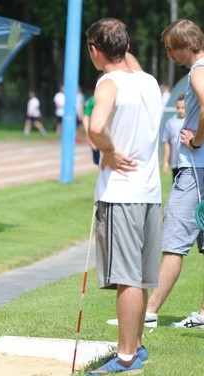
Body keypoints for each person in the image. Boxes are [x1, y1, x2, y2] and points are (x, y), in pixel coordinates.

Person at [107, 19, 204, 331]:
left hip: (196, 170)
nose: (169, 56)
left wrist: (198, 139)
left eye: (170, 49)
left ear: (184, 45)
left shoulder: (198, 71)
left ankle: (147, 312)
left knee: (173, 241)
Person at [85, 18, 163, 374]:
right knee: (143, 276)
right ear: (126, 46)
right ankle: (137, 349)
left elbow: (96, 127)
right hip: (149, 192)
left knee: (126, 277)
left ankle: (126, 357)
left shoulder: (108, 83)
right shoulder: (147, 81)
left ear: (95, 51)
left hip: (121, 193)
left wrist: (110, 152)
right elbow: (125, 59)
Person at [161, 94, 186, 182]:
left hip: (188, 163)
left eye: (183, 107)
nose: (180, 110)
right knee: (176, 186)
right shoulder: (170, 122)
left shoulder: (190, 122)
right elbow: (167, 143)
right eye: (178, 107)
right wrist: (165, 162)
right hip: (175, 163)